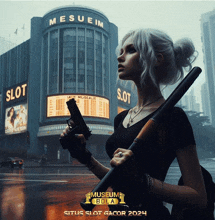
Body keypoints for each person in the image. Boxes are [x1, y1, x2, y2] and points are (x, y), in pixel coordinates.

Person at [60, 28, 207, 220]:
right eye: (121, 52)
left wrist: (143, 181)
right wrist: (85, 157)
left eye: (131, 50)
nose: (121, 57)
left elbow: (198, 197)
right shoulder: (121, 119)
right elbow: (119, 178)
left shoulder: (173, 117)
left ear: (157, 59)